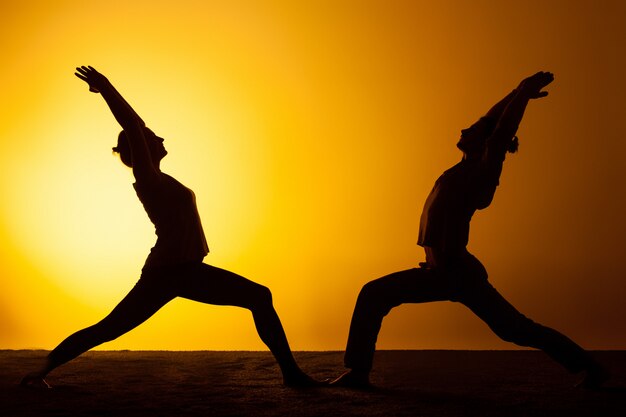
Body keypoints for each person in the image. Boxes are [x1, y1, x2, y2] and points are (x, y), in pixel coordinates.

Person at [21, 66, 318, 389]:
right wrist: (106, 87)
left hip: (179, 270)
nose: (161, 137)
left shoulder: (161, 179)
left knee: (257, 298)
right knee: (109, 328)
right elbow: (134, 125)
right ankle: (292, 374)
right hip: (172, 271)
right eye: (152, 138)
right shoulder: (147, 179)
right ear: (142, 150)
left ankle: (39, 372)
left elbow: (139, 128)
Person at [331, 72, 608, 389]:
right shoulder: (463, 168)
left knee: (517, 329)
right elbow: (492, 121)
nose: (464, 129)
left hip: (455, 273)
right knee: (376, 295)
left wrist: (521, 97)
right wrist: (515, 91)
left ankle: (591, 367)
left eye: (473, 130)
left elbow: (501, 130)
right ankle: (358, 372)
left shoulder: (484, 169)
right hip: (443, 271)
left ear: (484, 142)